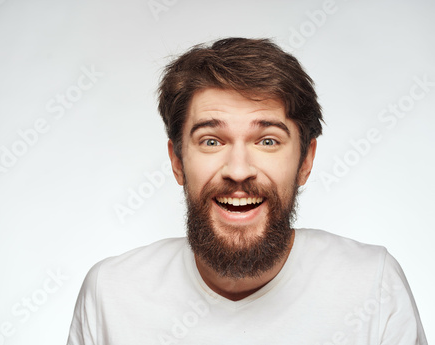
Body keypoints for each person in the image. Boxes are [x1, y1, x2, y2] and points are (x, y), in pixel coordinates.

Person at [66, 37, 427, 345]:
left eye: (267, 140)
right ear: (177, 161)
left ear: (305, 161)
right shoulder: (111, 294)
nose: (238, 170)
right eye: (211, 140)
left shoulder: (372, 285)